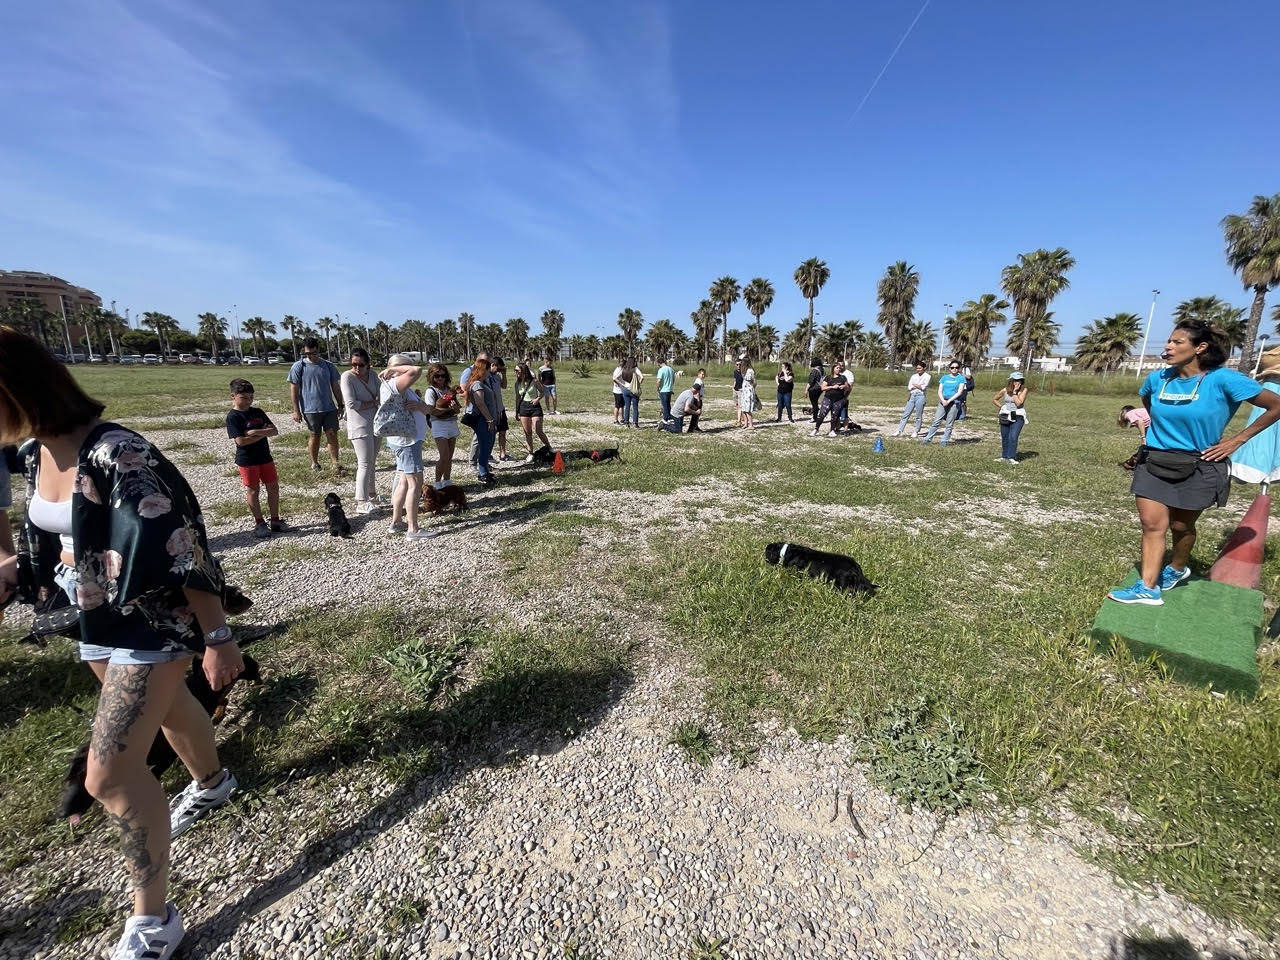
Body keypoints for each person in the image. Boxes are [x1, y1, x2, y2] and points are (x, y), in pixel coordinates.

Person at [0, 325, 243, 960]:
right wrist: (16, 569)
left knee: (109, 775)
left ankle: (154, 921)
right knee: (167, 713)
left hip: (149, 623)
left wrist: (217, 637)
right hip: (93, 618)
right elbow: (58, 535)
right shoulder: (34, 454)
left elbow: (186, 545)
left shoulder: (118, 454)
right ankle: (213, 782)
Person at [1108, 320, 1280, 605]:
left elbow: (1276, 405)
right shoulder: (1158, 379)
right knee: (1152, 524)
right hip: (1155, 461)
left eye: (1177, 342)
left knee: (1180, 526)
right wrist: (1155, 436)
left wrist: (1237, 440)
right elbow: (1147, 402)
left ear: (1200, 348)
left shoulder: (1224, 380)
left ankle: (1177, 567)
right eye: (1169, 341)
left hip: (1200, 464)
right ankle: (1148, 588)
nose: (1169, 346)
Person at [379, 356, 434, 540]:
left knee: (403, 481)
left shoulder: (398, 387)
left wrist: (420, 406)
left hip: (404, 440)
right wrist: (397, 370)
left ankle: (397, 521)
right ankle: (413, 528)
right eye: (403, 366)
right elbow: (416, 370)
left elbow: (426, 409)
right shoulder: (395, 383)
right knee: (415, 484)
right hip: (407, 442)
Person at [224, 379, 283, 537]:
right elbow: (241, 441)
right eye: (244, 398)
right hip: (247, 460)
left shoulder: (258, 412)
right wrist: (261, 432)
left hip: (265, 457)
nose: (248, 401)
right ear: (233, 396)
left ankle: (275, 520)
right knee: (253, 490)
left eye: (251, 397)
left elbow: (274, 431)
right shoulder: (233, 417)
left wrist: (253, 432)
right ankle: (259, 523)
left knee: (273, 487)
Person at [287, 337, 344, 475]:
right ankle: (314, 463)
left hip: (329, 408)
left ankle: (335, 463)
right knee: (315, 435)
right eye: (308, 354)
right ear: (303, 352)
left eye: (314, 353)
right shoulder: (298, 366)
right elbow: (294, 389)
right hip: (310, 409)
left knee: (332, 434)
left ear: (319, 351)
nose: (311, 356)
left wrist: (340, 404)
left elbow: (335, 386)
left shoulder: (328, 365)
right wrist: (296, 410)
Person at [1229, 347, 1280, 485]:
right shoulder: (1272, 354)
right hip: (1273, 392)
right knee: (1265, 435)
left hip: (1271, 390)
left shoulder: (1271, 354)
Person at [340, 348, 381, 514]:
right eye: (354, 364)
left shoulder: (374, 375)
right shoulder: (347, 377)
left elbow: (382, 395)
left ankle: (371, 494)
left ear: (368, 365)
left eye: (361, 365)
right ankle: (361, 501)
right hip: (359, 425)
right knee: (364, 463)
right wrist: (373, 403)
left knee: (372, 461)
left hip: (376, 423)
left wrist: (373, 403)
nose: (357, 368)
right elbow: (351, 403)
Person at [422, 363, 460, 490]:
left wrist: (455, 408)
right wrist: (447, 409)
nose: (440, 378)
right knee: (443, 456)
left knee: (450, 456)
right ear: (432, 377)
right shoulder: (430, 391)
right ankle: (437, 482)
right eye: (437, 376)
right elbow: (431, 411)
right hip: (438, 425)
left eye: (442, 376)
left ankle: (447, 481)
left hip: (451, 423)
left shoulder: (449, 390)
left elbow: (458, 409)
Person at [462, 356, 499, 485]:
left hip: (486, 420)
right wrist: (489, 419)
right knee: (485, 445)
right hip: (483, 420)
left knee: (487, 444)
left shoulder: (480, 383)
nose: (489, 372)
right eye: (488, 370)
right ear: (483, 370)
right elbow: (480, 403)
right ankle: (483, 472)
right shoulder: (477, 384)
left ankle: (485, 470)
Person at [920, 361, 968, 446]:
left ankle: (944, 441)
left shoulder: (961, 378)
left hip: (954, 402)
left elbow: (959, 392)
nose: (954, 369)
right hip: (943, 401)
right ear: (949, 368)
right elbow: (939, 391)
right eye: (952, 367)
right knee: (936, 421)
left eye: (956, 367)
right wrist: (943, 400)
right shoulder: (944, 378)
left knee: (949, 423)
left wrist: (949, 401)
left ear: (959, 368)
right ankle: (927, 439)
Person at [514, 362, 551, 461]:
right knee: (527, 432)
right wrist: (516, 411)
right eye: (515, 370)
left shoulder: (534, 381)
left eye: (517, 370)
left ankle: (549, 447)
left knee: (538, 430)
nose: (515, 372)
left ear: (523, 371)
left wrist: (537, 399)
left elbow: (542, 391)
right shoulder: (517, 383)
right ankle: (530, 453)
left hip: (535, 407)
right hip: (523, 407)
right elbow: (517, 398)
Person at [992, 372, 1029, 463]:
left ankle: (1011, 457)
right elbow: (994, 399)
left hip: (1018, 415)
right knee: (1005, 436)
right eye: (1015, 380)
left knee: (1013, 437)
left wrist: (1015, 392)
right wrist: (1002, 407)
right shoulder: (1005, 390)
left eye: (1019, 380)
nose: (1017, 382)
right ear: (1011, 381)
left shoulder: (1024, 390)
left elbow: (1019, 403)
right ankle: (1004, 456)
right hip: (1005, 416)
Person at [892, 362, 931, 437]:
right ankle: (899, 430)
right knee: (906, 414)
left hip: (921, 396)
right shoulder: (914, 376)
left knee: (918, 415)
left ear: (924, 368)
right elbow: (909, 387)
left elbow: (924, 387)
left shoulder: (927, 376)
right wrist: (917, 386)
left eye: (920, 368)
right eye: (917, 368)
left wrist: (916, 385)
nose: (918, 370)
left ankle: (916, 431)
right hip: (912, 395)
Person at [811, 363, 848, 437]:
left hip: (839, 399)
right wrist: (832, 387)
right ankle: (816, 429)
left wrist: (843, 386)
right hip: (828, 398)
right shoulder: (828, 378)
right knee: (822, 414)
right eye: (837, 368)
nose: (839, 369)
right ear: (833, 369)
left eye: (839, 368)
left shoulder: (843, 378)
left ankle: (832, 430)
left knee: (835, 415)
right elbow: (823, 388)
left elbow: (847, 386)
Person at [491, 357, 511, 462]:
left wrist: (504, 374)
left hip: (500, 408)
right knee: (491, 433)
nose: (500, 369)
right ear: (494, 365)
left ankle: (502, 453)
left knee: (503, 431)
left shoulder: (497, 377)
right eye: (499, 367)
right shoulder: (487, 377)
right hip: (492, 411)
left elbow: (504, 386)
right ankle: (488, 454)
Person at [621, 359, 642, 428]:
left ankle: (627, 423)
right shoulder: (635, 369)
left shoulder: (624, 368)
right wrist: (638, 384)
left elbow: (619, 377)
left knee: (627, 406)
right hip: (633, 389)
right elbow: (642, 377)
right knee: (635, 407)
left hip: (625, 389)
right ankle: (635, 423)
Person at [739, 359, 758, 430]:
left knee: (747, 409)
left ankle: (751, 425)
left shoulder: (750, 371)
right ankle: (746, 423)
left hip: (748, 392)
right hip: (744, 392)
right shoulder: (744, 371)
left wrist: (752, 390)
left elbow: (754, 381)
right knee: (743, 408)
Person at [656, 358, 675, 424]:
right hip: (669, 389)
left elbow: (659, 380)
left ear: (659, 363)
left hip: (663, 390)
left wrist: (658, 388)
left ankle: (665, 419)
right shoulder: (671, 369)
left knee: (664, 405)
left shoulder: (661, 370)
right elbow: (673, 379)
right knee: (668, 404)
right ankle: (669, 418)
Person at [806, 358, 824, 423]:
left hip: (814, 389)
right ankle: (816, 413)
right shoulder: (822, 369)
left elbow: (811, 381)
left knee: (814, 403)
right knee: (815, 402)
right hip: (820, 388)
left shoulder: (815, 370)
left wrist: (806, 390)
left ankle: (814, 417)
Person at [611, 359, 626, 425]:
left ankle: (622, 419)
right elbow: (614, 378)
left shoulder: (618, 369)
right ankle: (615, 420)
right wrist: (621, 384)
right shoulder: (620, 370)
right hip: (618, 391)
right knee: (617, 406)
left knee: (622, 405)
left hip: (621, 391)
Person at [732, 360, 745, 427]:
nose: (738, 366)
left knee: (740, 406)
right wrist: (733, 387)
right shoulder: (735, 372)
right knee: (737, 405)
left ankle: (739, 421)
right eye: (737, 364)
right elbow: (735, 380)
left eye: (740, 364)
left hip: (741, 390)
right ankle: (741, 418)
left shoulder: (744, 372)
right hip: (735, 390)